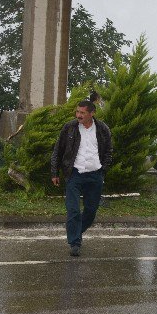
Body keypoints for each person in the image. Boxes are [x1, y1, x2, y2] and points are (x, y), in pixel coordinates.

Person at [51, 100, 112, 257]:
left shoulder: (103, 129)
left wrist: (103, 171)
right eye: (77, 112)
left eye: (82, 113)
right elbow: (58, 150)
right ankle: (75, 243)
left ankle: (76, 231)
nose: (78, 115)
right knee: (73, 209)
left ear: (92, 113)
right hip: (74, 174)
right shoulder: (69, 127)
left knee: (91, 211)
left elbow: (108, 152)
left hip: (95, 175)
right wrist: (54, 172)